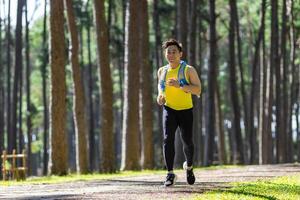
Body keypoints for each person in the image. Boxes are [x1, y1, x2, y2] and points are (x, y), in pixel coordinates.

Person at [157, 38, 201, 187]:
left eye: (174, 52)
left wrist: (180, 85)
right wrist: (160, 97)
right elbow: (161, 88)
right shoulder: (162, 71)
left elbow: (198, 89)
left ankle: (189, 166)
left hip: (185, 110)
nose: (170, 54)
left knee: (187, 141)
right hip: (169, 109)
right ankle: (170, 173)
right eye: (168, 52)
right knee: (167, 139)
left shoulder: (188, 69)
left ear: (180, 54)